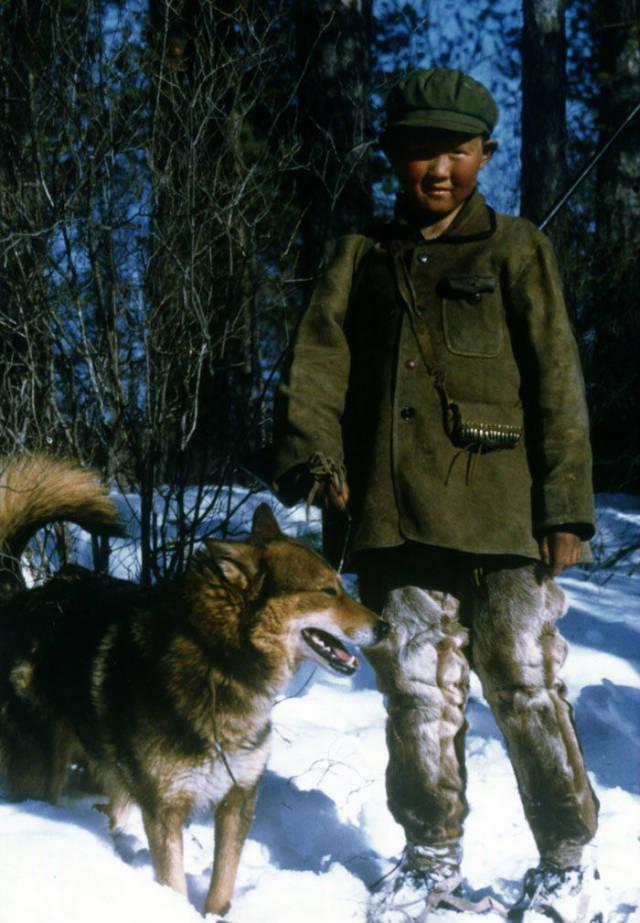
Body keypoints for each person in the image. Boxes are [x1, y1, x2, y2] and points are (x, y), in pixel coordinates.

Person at [272, 68, 602, 923]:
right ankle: (429, 857)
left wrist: (566, 509)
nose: (440, 169)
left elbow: (557, 381)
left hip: (505, 520)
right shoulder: (357, 258)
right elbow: (315, 369)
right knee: (418, 689)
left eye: (456, 150)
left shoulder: (519, 249)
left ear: (485, 152)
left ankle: (566, 858)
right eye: (421, 152)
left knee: (526, 683)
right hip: (392, 517)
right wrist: (313, 455)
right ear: (393, 158)